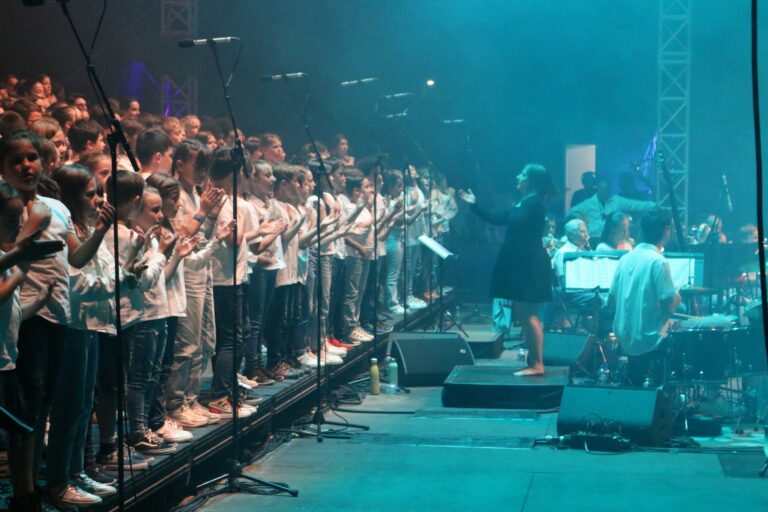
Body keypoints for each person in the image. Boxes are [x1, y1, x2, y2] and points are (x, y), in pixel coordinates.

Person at [459, 164, 556, 376]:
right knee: (524, 314)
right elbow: (498, 219)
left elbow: (515, 223)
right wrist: (474, 205)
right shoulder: (525, 202)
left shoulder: (534, 203)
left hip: (529, 265)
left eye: (522, 174)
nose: (517, 176)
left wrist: (514, 210)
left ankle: (537, 364)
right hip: (522, 264)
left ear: (530, 180)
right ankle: (533, 361)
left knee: (529, 315)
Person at [608, 211, 680, 386]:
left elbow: (612, 301)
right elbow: (668, 308)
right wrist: (679, 294)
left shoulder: (625, 259)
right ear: (666, 230)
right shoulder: (658, 261)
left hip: (625, 337)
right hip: (650, 339)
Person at [567, 177, 655, 239]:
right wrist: (581, 218)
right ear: (597, 188)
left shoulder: (617, 201)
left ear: (610, 189)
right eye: (601, 188)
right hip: (592, 238)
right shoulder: (588, 203)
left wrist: (656, 205)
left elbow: (637, 205)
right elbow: (569, 213)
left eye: (606, 188)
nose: (603, 191)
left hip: (611, 238)